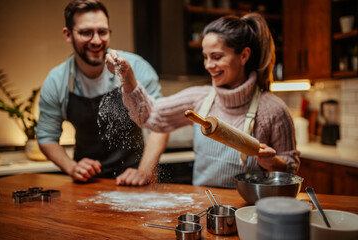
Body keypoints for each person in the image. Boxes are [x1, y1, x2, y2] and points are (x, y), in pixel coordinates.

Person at [105, 13, 300, 188]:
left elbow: (290, 170)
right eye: (205, 57)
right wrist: (128, 78)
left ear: (244, 55)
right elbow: (151, 116)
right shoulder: (199, 98)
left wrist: (273, 163)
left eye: (216, 57)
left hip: (250, 211)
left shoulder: (274, 110)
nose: (208, 65)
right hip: (204, 207)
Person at [37, 0, 169, 186]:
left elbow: (160, 123)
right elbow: (46, 136)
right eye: (86, 32)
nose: (96, 40)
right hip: (88, 184)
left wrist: (144, 171)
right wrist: (72, 167)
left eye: (102, 32)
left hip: (137, 180)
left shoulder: (136, 67)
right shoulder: (57, 80)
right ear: (68, 35)